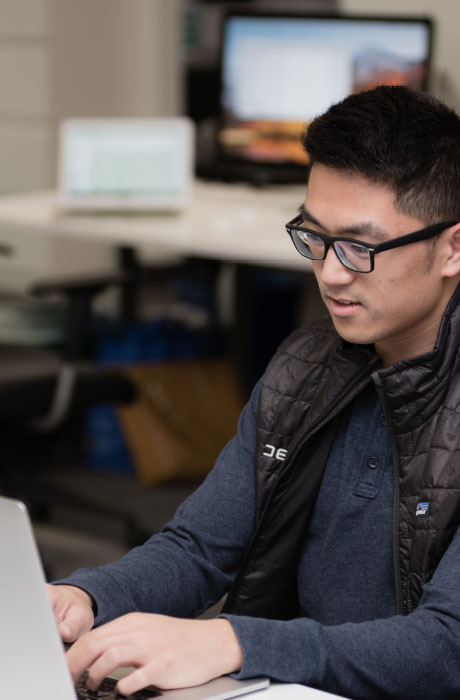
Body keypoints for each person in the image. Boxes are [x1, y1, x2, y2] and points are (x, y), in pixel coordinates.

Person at [49, 85, 460, 700]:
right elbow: (201, 547)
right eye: (314, 236)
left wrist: (234, 641)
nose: (330, 272)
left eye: (360, 246)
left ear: (453, 246)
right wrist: (88, 596)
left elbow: (447, 646)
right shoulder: (307, 366)